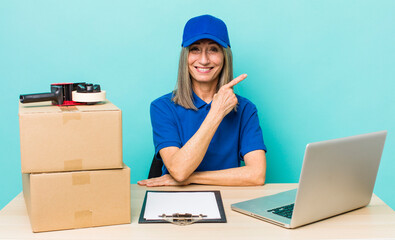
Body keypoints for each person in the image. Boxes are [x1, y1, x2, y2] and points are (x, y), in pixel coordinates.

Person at [138, 14, 267, 187]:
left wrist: (192, 178)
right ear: (186, 56)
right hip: (176, 201)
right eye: (195, 49)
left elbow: (256, 175)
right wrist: (216, 112)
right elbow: (179, 170)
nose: (204, 60)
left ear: (224, 57)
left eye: (213, 49)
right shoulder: (162, 107)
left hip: (228, 198)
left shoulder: (245, 109)